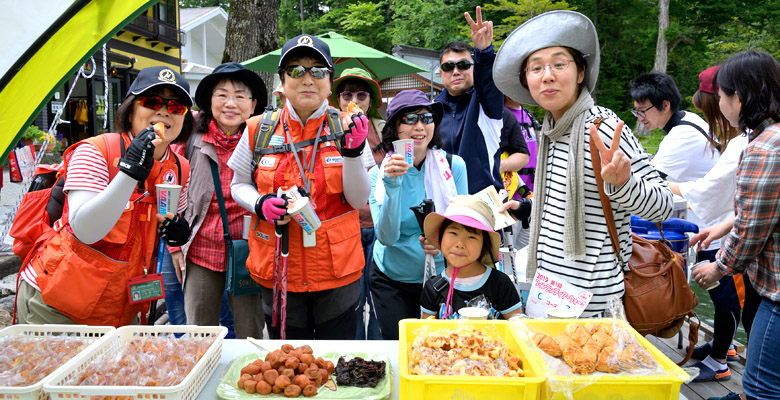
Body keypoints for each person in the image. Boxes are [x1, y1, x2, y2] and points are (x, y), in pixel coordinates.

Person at [493, 10, 673, 317]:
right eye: (536, 68)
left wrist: (623, 184)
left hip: (593, 308)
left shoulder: (602, 127)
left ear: (580, 73)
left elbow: (663, 206)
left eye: (559, 64)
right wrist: (525, 208)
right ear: (527, 81)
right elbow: (563, 204)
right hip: (546, 295)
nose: (547, 75)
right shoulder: (550, 132)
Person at [16, 66, 194, 326]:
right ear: (131, 109)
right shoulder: (95, 150)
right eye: (152, 101)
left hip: (122, 306)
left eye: (176, 107)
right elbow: (85, 229)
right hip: (57, 303)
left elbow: (166, 219)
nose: (164, 111)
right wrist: (130, 172)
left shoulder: (179, 167)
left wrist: (177, 232)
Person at [228, 34, 370, 340]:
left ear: (330, 82)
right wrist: (260, 203)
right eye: (296, 70)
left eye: (318, 71)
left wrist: (354, 153)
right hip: (278, 267)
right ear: (281, 82)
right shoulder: (258, 129)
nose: (307, 78)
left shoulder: (349, 127)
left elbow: (359, 199)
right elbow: (237, 184)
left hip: (337, 271)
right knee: (290, 365)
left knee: (336, 362)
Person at [692, 50, 780, 400]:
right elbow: (767, 207)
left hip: (777, 291)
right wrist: (726, 225)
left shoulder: (762, 149)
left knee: (761, 386)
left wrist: (718, 267)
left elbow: (752, 233)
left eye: (723, 95)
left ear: (738, 98)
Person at [164, 62, 267, 339]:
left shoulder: (265, 141)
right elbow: (168, 192)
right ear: (210, 100)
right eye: (221, 94)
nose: (230, 103)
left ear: (253, 103)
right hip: (200, 250)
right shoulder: (189, 138)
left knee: (250, 334)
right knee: (199, 333)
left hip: (249, 251)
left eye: (240, 95)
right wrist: (174, 247)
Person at [664, 65, 748, 382]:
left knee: (726, 296)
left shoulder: (743, 142)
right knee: (725, 297)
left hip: (725, 237)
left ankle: (718, 362)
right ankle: (722, 348)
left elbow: (705, 190)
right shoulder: (741, 138)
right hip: (719, 227)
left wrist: (656, 186)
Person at [368, 89, 468, 339]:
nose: (420, 126)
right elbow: (387, 237)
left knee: (438, 350)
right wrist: (392, 186)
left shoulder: (454, 167)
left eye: (426, 117)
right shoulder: (377, 175)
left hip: (441, 277)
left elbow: (464, 227)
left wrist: (443, 244)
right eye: (409, 119)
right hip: (391, 278)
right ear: (394, 129)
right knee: (400, 346)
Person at [630, 71, 720, 259]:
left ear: (665, 105)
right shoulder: (687, 118)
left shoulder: (681, 137)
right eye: (636, 111)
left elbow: (645, 185)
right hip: (711, 226)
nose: (639, 117)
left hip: (711, 236)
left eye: (643, 111)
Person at [329, 67, 385, 340]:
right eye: (347, 93)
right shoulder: (328, 129)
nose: (355, 99)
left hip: (379, 225)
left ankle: (378, 358)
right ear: (338, 98)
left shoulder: (385, 130)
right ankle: (353, 358)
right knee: (350, 301)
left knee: (377, 298)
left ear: (371, 100)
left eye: (362, 94)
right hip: (345, 226)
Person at [436, 6, 504, 195]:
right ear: (441, 73)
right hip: (444, 204)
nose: (456, 71)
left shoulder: (487, 104)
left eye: (464, 65)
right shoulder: (431, 111)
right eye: (448, 67)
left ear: (474, 67)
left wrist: (484, 52)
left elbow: (488, 82)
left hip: (483, 203)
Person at [420, 195, 522, 319]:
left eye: (472, 237)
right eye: (453, 233)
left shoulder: (500, 284)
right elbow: (425, 333)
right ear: (441, 236)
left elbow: (518, 329)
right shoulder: (433, 288)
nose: (460, 244)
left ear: (484, 244)